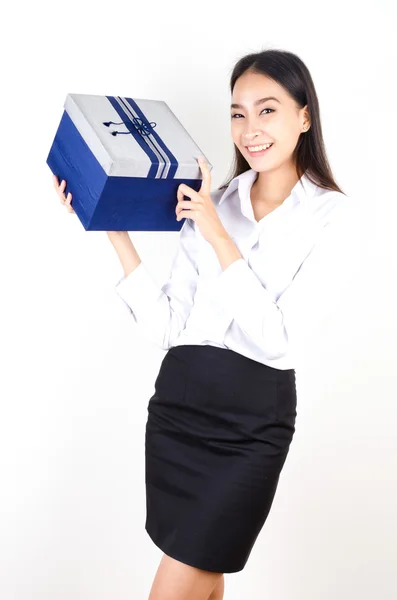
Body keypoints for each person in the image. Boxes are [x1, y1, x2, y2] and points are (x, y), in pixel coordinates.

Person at [53, 49, 361, 600]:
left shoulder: (329, 217)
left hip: (250, 424)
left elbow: (277, 337)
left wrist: (219, 235)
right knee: (203, 575)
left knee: (181, 578)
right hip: (179, 408)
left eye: (267, 110)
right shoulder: (213, 202)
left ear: (305, 116)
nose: (250, 129)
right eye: (238, 113)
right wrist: (109, 225)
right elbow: (170, 327)